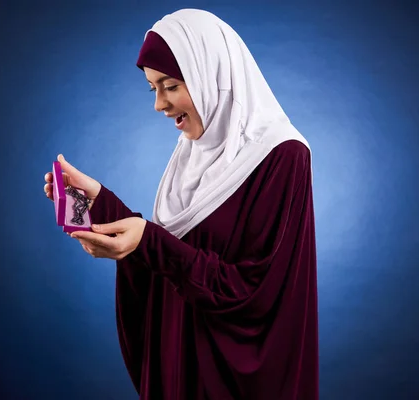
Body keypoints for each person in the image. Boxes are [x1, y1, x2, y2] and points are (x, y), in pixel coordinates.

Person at [43, 8, 318, 400]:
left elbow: (252, 292)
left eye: (170, 86)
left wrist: (148, 241)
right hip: (179, 361)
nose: (159, 104)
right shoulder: (192, 154)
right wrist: (98, 203)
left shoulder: (283, 157)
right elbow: (176, 252)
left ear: (212, 75)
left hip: (231, 382)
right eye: (153, 88)